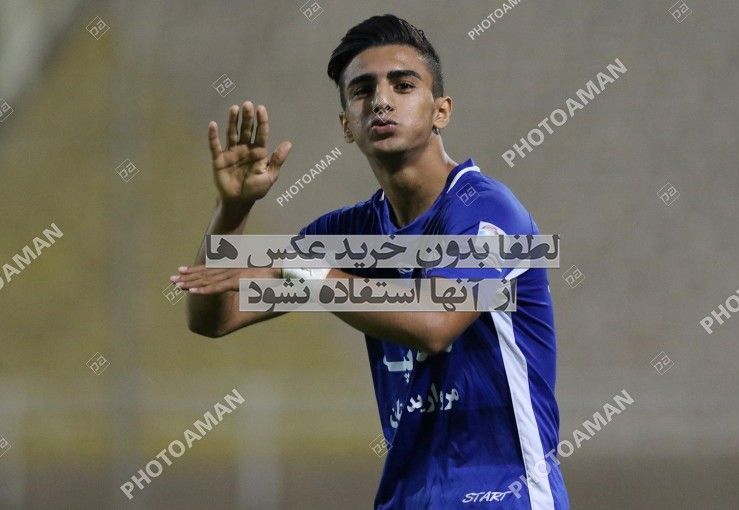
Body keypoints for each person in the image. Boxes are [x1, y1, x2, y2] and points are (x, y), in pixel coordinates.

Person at [172, 14, 569, 509]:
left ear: (441, 110)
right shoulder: (349, 234)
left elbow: (435, 323)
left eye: (403, 85)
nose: (381, 100)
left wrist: (308, 272)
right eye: (362, 90)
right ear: (346, 125)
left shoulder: (490, 211)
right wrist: (233, 209)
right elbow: (214, 318)